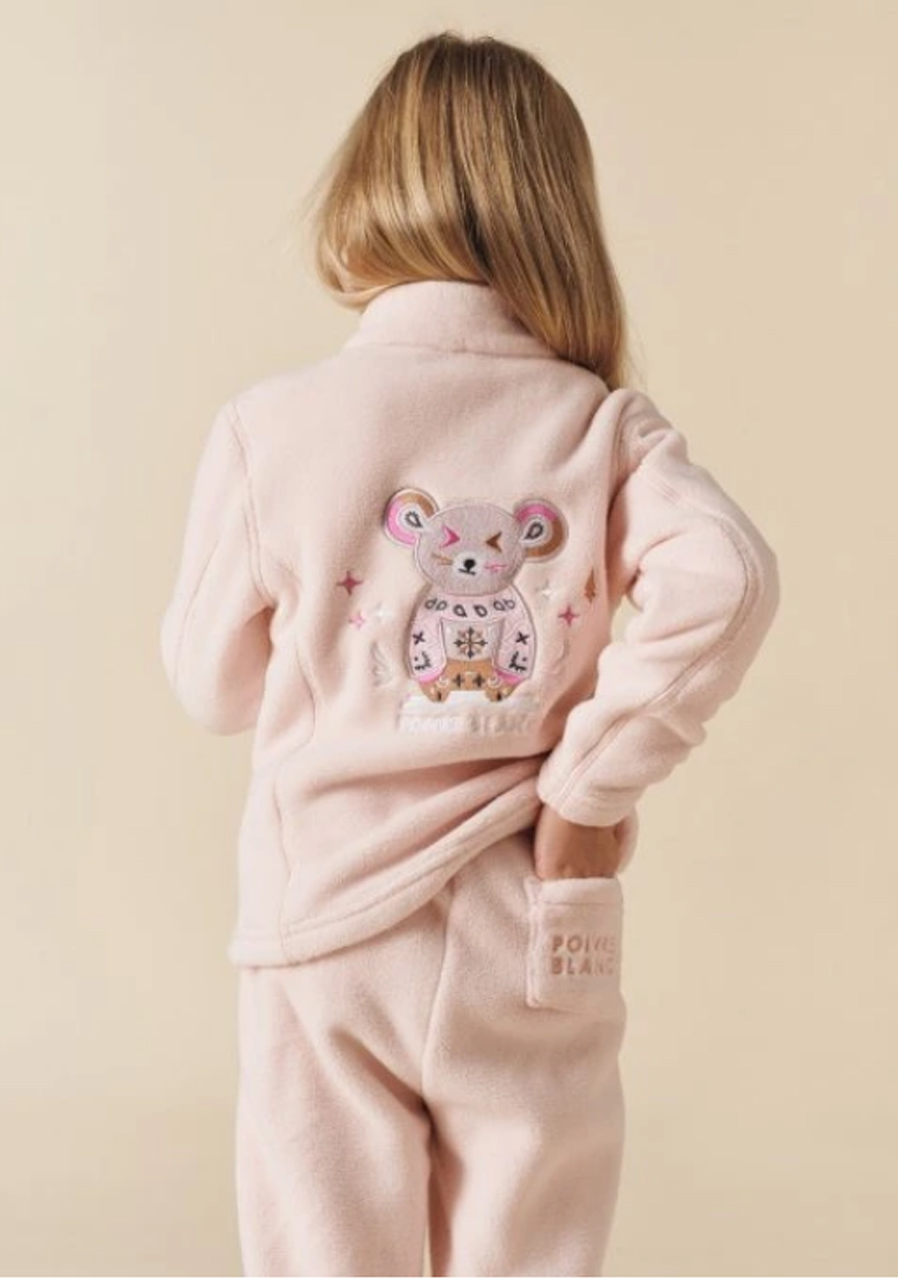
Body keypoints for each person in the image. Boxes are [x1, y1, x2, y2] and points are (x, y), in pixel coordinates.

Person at [159, 30, 780, 1279]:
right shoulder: (601, 426)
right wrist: (586, 788)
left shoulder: (268, 430)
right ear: (558, 215)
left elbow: (209, 684)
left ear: (364, 191)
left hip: (326, 919)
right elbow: (728, 578)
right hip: (532, 911)